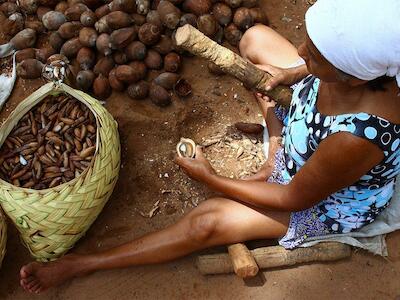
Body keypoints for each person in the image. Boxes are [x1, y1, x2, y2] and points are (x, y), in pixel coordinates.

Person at [20, 0, 400, 294]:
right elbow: (309, 62)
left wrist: (211, 177)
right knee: (255, 38)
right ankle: (278, 147)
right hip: (310, 123)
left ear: (354, 76)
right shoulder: (361, 70)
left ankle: (84, 265)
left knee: (207, 221)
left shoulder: (358, 138)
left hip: (320, 198)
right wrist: (292, 74)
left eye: (315, 56)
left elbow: (293, 198)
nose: (302, 50)